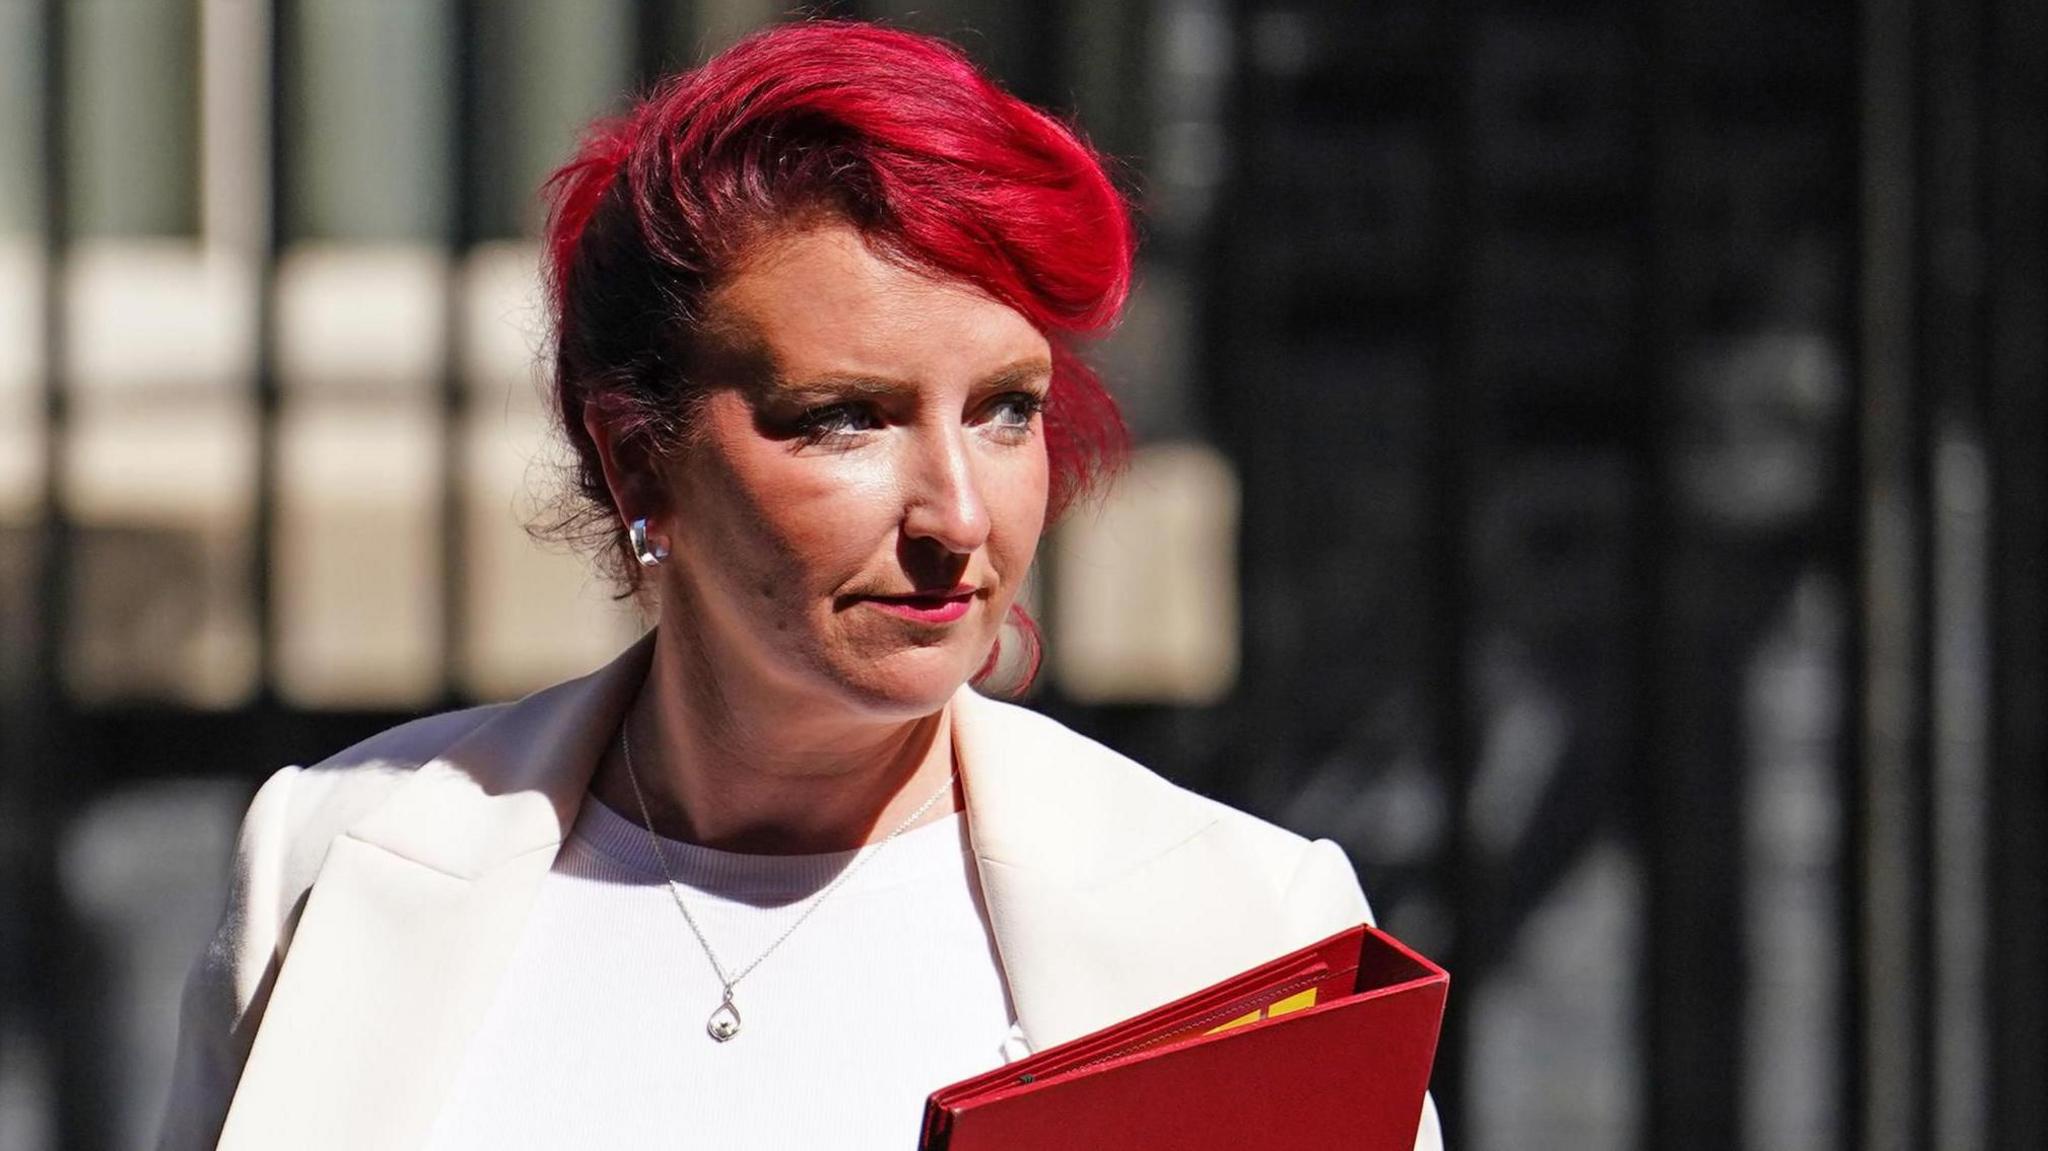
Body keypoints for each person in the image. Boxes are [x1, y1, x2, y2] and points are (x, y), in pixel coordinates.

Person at [158, 19, 1443, 1151]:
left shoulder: (1240, 928)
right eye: (845, 418)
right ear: (637, 455)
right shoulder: (337, 861)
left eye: (1006, 409)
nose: (955, 510)